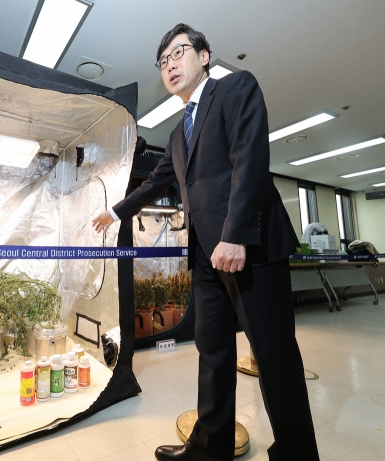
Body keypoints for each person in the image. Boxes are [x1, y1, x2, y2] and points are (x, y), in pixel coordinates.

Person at [92, 23, 319, 461]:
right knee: (212, 351)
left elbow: (250, 160)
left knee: (274, 358)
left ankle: (298, 455)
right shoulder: (178, 135)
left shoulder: (235, 89)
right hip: (205, 257)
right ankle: (210, 447)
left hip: (251, 249)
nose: (170, 65)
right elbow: (156, 184)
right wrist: (117, 211)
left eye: (178, 53)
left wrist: (235, 235)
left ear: (204, 55)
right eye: (163, 61)